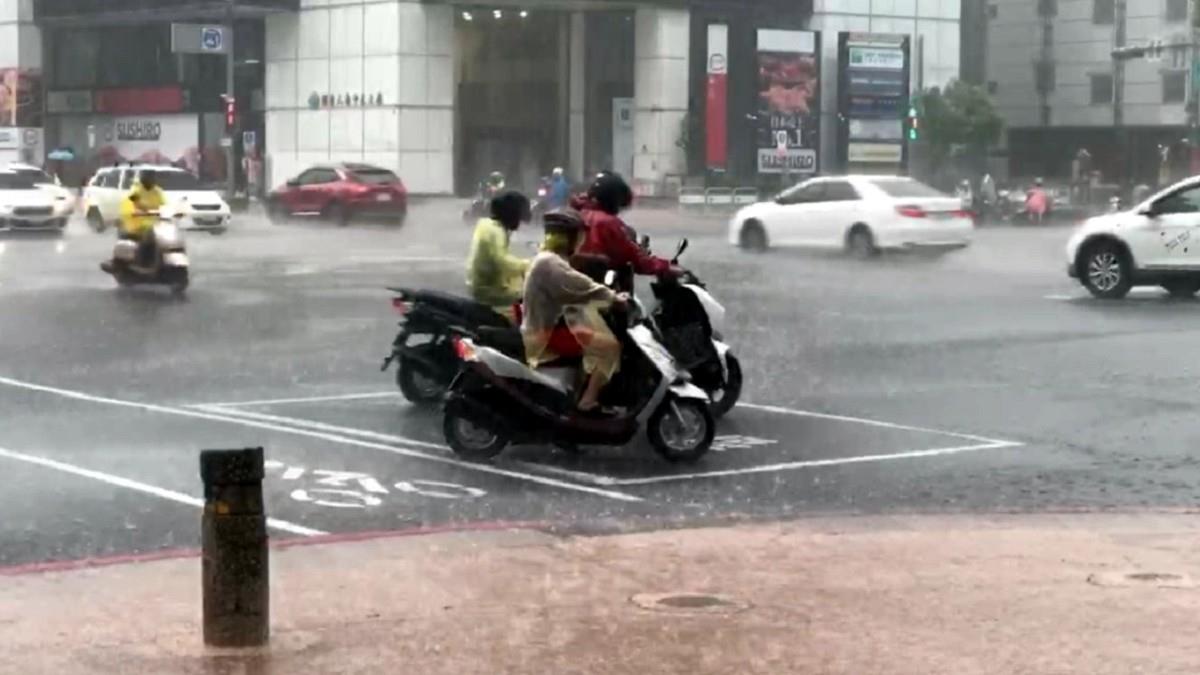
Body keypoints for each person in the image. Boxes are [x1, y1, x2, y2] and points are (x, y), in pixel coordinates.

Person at [522, 209, 628, 413]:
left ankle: (577, 391)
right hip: (545, 333)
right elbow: (581, 285)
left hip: (544, 324)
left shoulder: (549, 258)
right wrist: (614, 298)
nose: (580, 242)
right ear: (567, 237)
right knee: (608, 347)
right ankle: (587, 401)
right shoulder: (550, 263)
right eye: (578, 236)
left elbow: (575, 282)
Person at [575, 172, 677, 290]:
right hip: (602, 292)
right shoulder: (608, 223)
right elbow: (636, 260)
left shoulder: (574, 215)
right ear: (612, 200)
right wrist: (666, 267)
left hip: (569, 288)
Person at [466, 190, 532, 320]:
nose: (519, 223)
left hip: (484, 282)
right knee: (532, 294)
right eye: (519, 218)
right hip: (488, 289)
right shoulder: (495, 231)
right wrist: (528, 265)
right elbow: (502, 261)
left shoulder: (488, 225)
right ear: (512, 214)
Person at [115, 169, 167, 268]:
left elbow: (165, 205)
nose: (151, 180)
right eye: (148, 177)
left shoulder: (157, 191)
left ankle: (160, 259)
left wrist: (174, 211)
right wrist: (135, 211)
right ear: (142, 179)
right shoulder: (136, 191)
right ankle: (141, 261)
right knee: (148, 235)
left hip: (155, 224)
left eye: (152, 177)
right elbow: (129, 203)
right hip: (136, 223)